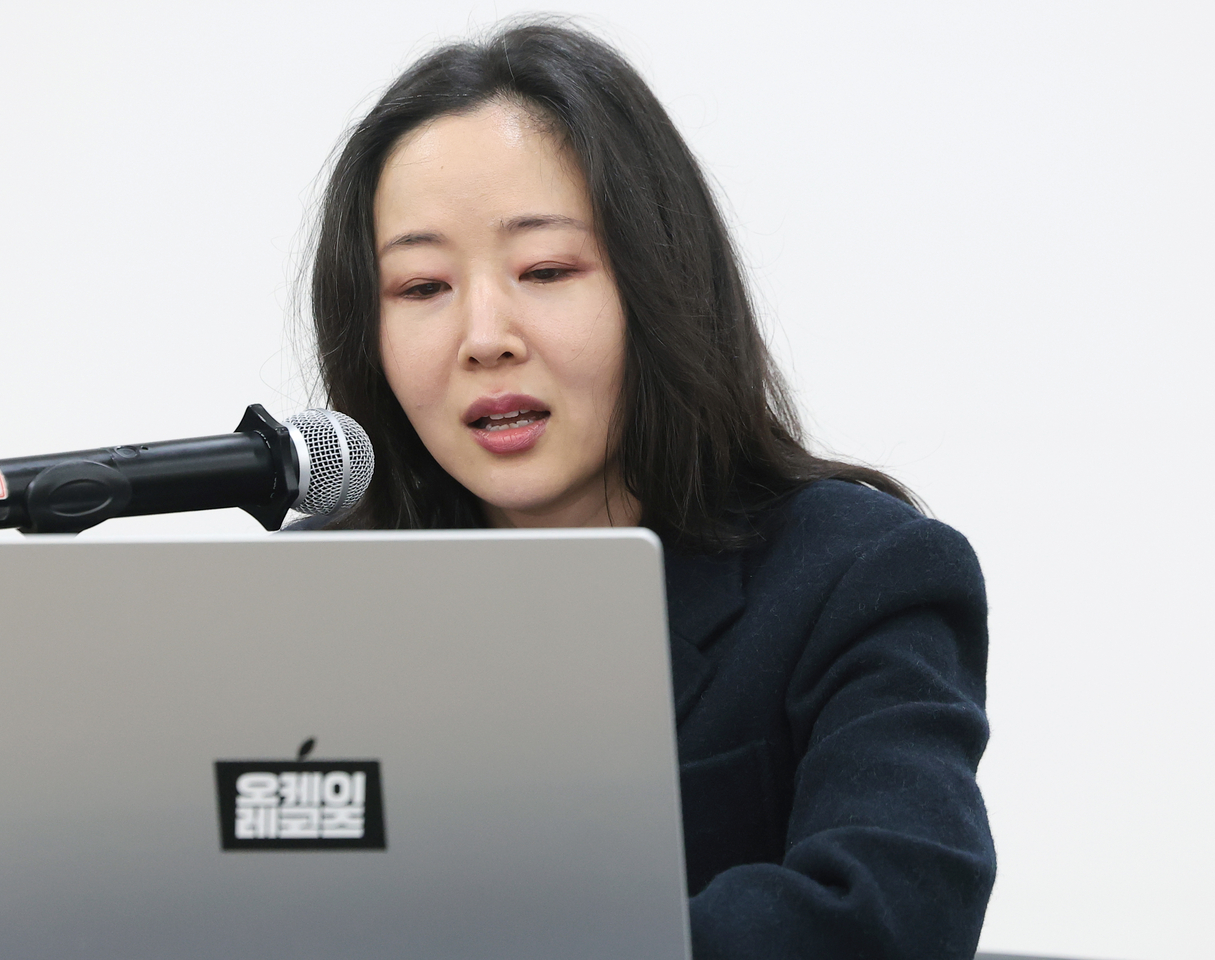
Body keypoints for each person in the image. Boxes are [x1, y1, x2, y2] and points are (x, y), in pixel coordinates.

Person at [293, 20, 995, 959]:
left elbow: (888, 911)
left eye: (544, 270)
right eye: (421, 287)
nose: (484, 335)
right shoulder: (312, 600)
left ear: (657, 284)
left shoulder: (858, 574)